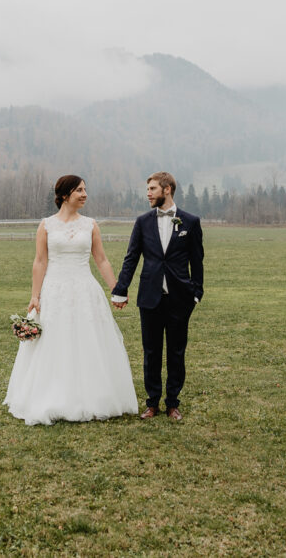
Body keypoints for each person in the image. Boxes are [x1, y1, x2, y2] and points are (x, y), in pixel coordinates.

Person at [4, 175, 138, 425]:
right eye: (79, 190)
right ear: (65, 195)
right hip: (54, 291)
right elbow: (40, 261)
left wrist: (116, 289)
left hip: (85, 290)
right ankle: (53, 394)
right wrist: (35, 295)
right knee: (55, 343)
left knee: (88, 341)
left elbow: (101, 259)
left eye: (86, 189)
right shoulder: (46, 225)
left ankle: (93, 394)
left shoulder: (91, 225)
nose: (85, 194)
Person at [112, 171, 204, 421]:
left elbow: (198, 261)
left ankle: (173, 403)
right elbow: (131, 258)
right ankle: (152, 403)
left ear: (167, 189)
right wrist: (121, 289)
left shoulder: (190, 222)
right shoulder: (142, 222)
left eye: (152, 189)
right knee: (151, 352)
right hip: (149, 297)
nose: (148, 194)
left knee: (176, 352)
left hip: (180, 299)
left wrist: (196, 294)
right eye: (148, 189)